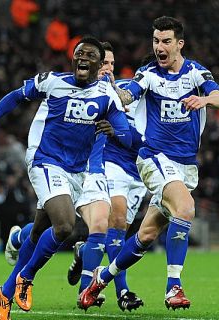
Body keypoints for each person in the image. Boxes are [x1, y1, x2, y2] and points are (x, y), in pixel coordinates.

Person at [0, 36, 131, 320]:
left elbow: (126, 135)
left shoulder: (107, 95)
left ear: (99, 64)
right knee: (66, 225)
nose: (82, 58)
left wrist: (114, 131)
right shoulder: (52, 81)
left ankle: (5, 293)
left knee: (37, 232)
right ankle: (26, 278)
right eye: (78, 53)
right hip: (45, 160)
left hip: (77, 171)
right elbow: (15, 96)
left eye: (90, 55)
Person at [78, 16, 219, 311]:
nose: (160, 46)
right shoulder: (147, 74)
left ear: (179, 44)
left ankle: (100, 281)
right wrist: (112, 89)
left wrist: (204, 100)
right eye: (156, 41)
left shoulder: (196, 72)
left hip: (185, 165)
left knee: (145, 236)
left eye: (166, 41)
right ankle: (174, 288)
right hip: (155, 157)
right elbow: (127, 95)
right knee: (185, 208)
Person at [67, 42, 147, 312]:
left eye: (112, 64)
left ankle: (22, 239)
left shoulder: (138, 95)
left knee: (114, 233)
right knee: (113, 220)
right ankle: (120, 291)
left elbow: (138, 139)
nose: (108, 69)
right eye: (104, 64)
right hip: (103, 166)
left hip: (138, 174)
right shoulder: (101, 94)